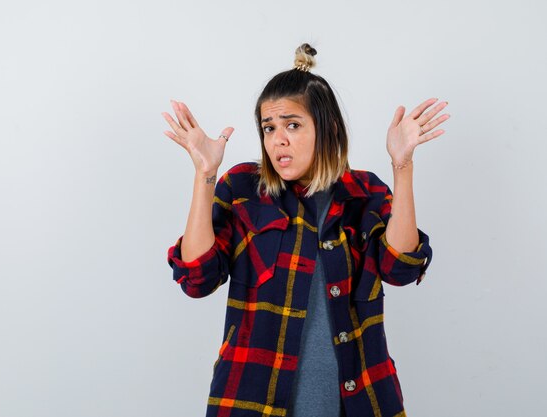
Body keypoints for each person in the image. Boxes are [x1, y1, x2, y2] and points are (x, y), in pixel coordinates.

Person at [162, 43, 449, 417]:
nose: (277, 139)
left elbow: (400, 268)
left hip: (359, 400)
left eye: (292, 125)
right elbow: (196, 279)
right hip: (252, 401)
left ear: (326, 128)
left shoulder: (364, 193)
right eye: (269, 128)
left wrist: (403, 165)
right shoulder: (243, 189)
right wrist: (205, 175)